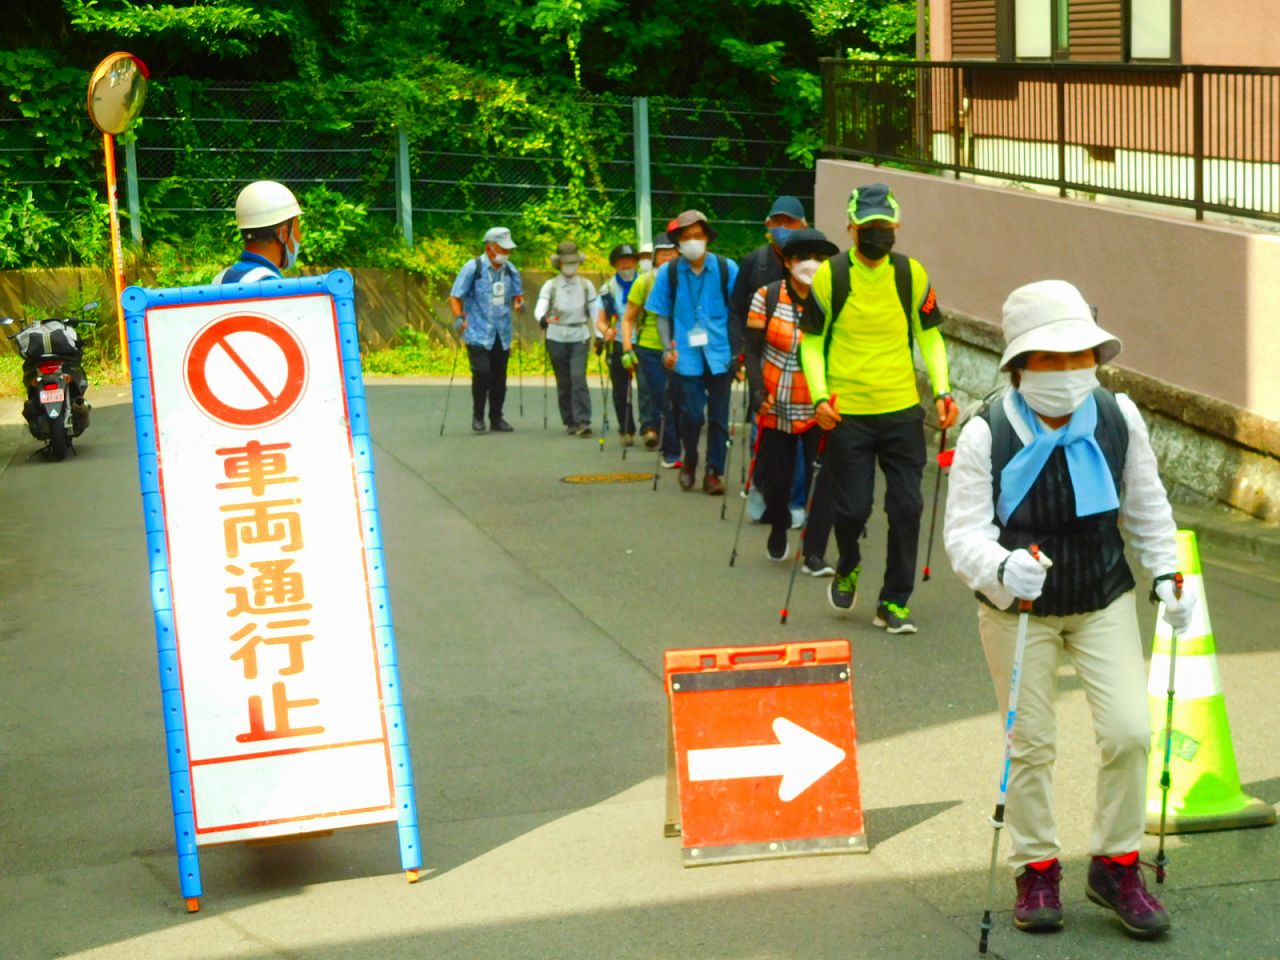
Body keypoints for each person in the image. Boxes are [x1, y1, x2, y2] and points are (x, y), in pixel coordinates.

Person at [943, 279, 1193, 941]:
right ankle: (1037, 867)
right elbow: (963, 534)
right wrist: (1002, 567)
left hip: (1101, 594)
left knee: (1129, 732)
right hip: (1017, 610)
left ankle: (1115, 864)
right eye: (1050, 359)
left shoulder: (1118, 416)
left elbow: (1146, 505)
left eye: (1079, 356)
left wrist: (1168, 569)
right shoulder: (984, 431)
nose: (1068, 372)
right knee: (1031, 744)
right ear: (1019, 366)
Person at [801, 183, 957, 633]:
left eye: (884, 226)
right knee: (851, 511)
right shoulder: (831, 276)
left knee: (907, 508)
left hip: (902, 411)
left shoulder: (911, 274)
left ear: (896, 227)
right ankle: (848, 561)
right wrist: (818, 398)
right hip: (848, 413)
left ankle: (894, 601)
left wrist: (943, 392)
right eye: (868, 226)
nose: (876, 233)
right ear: (851, 228)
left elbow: (930, 335)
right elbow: (811, 343)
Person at [743, 229, 837, 572]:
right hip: (776, 403)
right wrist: (757, 392)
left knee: (825, 479)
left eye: (819, 258)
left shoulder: (833, 301)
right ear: (787, 261)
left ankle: (814, 552)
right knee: (778, 479)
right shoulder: (765, 297)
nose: (810, 264)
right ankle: (779, 523)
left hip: (820, 405)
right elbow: (752, 350)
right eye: (802, 257)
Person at [645, 210, 739, 494]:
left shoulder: (727, 268)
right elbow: (661, 313)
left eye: (698, 236)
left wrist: (739, 351)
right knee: (693, 415)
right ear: (678, 243)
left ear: (708, 238)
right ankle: (690, 460)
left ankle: (714, 472)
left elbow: (738, 312)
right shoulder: (669, 273)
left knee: (719, 419)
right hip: (685, 354)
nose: (693, 242)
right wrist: (666, 348)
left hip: (720, 353)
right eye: (686, 237)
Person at [448, 226, 525, 433]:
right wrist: (458, 318)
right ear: (490, 248)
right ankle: (478, 416)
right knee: (482, 372)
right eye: (502, 248)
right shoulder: (473, 268)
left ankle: (497, 418)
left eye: (508, 250)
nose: (506, 253)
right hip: (478, 331)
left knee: (500, 377)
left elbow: (518, 295)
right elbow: (455, 296)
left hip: (502, 332)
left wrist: (519, 304)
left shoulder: (510, 270)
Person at [621, 230, 682, 465]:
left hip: (680, 348)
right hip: (649, 348)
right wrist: (627, 349)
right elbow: (628, 318)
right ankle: (667, 445)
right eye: (662, 253)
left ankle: (675, 440)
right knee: (659, 396)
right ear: (654, 257)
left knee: (679, 398)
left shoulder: (684, 279)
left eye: (672, 252)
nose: (668, 257)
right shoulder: (644, 281)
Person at [536, 241, 598, 437]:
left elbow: (596, 312)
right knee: (564, 381)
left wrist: (601, 335)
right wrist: (542, 318)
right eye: (566, 262)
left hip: (579, 336)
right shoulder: (551, 285)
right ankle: (569, 419)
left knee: (578, 376)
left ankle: (583, 421)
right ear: (559, 264)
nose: (571, 266)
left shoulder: (586, 286)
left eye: (574, 262)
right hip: (556, 337)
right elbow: (541, 306)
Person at [213, 180, 302, 283]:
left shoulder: (220, 278)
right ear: (283, 234)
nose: (300, 237)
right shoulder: (272, 285)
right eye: (298, 228)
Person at [596, 243, 640, 444]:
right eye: (622, 261)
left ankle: (651, 427)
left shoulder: (645, 282)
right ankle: (626, 428)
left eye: (630, 260)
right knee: (621, 389)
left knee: (649, 387)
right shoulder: (607, 288)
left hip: (643, 342)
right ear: (615, 265)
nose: (626, 264)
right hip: (619, 342)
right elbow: (600, 319)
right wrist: (606, 331)